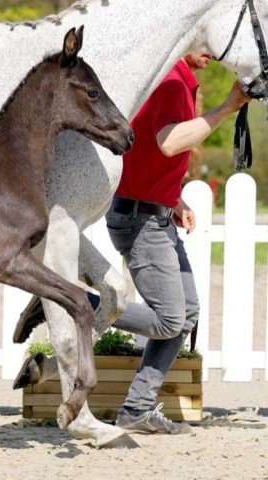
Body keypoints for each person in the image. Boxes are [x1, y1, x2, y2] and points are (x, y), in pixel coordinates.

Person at [105, 53, 251, 434]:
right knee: (171, 318)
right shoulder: (170, 79)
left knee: (185, 314)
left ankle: (136, 409)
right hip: (140, 219)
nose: (213, 54)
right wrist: (225, 109)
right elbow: (168, 142)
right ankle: (79, 303)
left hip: (152, 212)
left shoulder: (177, 76)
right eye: (205, 43)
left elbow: (148, 155)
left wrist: (173, 199)